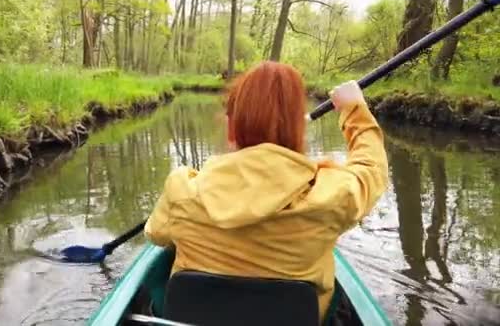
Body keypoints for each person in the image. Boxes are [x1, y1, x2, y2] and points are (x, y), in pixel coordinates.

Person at [144, 61, 389, 324]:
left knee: (163, 260)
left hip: (194, 313)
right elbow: (370, 168)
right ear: (299, 130)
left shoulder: (183, 188)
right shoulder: (333, 195)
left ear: (230, 128)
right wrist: (354, 110)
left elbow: (155, 235)